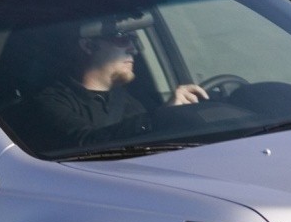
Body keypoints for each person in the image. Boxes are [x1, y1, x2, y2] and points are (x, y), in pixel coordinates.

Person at [27, 19, 207, 149]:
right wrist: (159, 118)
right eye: (121, 38)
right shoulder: (49, 102)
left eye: (134, 40)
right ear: (88, 46)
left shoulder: (132, 99)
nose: (133, 49)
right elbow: (87, 143)